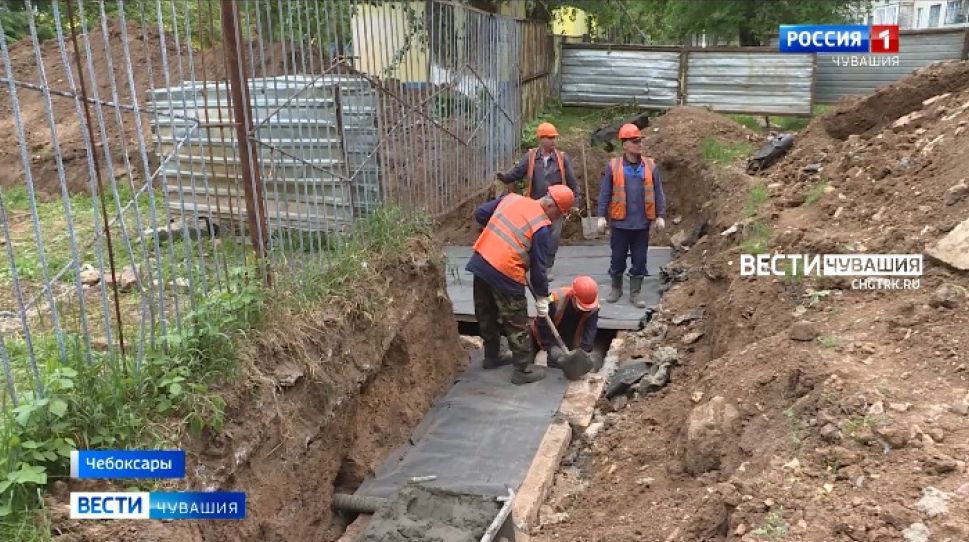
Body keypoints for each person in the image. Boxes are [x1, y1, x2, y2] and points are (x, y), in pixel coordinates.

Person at [467, 184, 576, 385]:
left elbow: (481, 213)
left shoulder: (512, 199)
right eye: (559, 215)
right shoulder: (541, 227)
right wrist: (543, 297)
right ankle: (523, 370)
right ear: (552, 207)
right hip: (505, 271)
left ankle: (491, 356)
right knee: (517, 321)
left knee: (486, 312)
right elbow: (538, 270)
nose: (556, 219)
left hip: (481, 259)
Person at [496, 122, 582, 281]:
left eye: (554, 138)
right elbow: (517, 172)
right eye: (550, 138)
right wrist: (504, 177)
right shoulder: (530, 157)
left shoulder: (562, 159)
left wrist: (575, 202)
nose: (553, 141)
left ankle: (547, 267)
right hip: (536, 205)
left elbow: (573, 183)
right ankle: (532, 265)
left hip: (557, 207)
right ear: (541, 139)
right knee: (533, 237)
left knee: (553, 237)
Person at [596, 123, 667, 308]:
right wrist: (601, 215)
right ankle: (616, 288)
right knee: (617, 257)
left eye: (639, 141)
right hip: (620, 224)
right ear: (625, 145)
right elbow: (605, 192)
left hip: (642, 223)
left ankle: (635, 293)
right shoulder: (614, 166)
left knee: (640, 258)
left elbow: (658, 191)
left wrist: (660, 215)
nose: (639, 144)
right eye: (635, 141)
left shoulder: (650, 166)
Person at [531, 275, 599, 370]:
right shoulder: (554, 299)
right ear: (573, 296)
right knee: (553, 364)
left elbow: (590, 330)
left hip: (573, 337)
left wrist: (584, 351)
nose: (584, 311)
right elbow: (542, 326)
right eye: (581, 307)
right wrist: (550, 347)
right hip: (554, 335)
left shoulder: (592, 304)